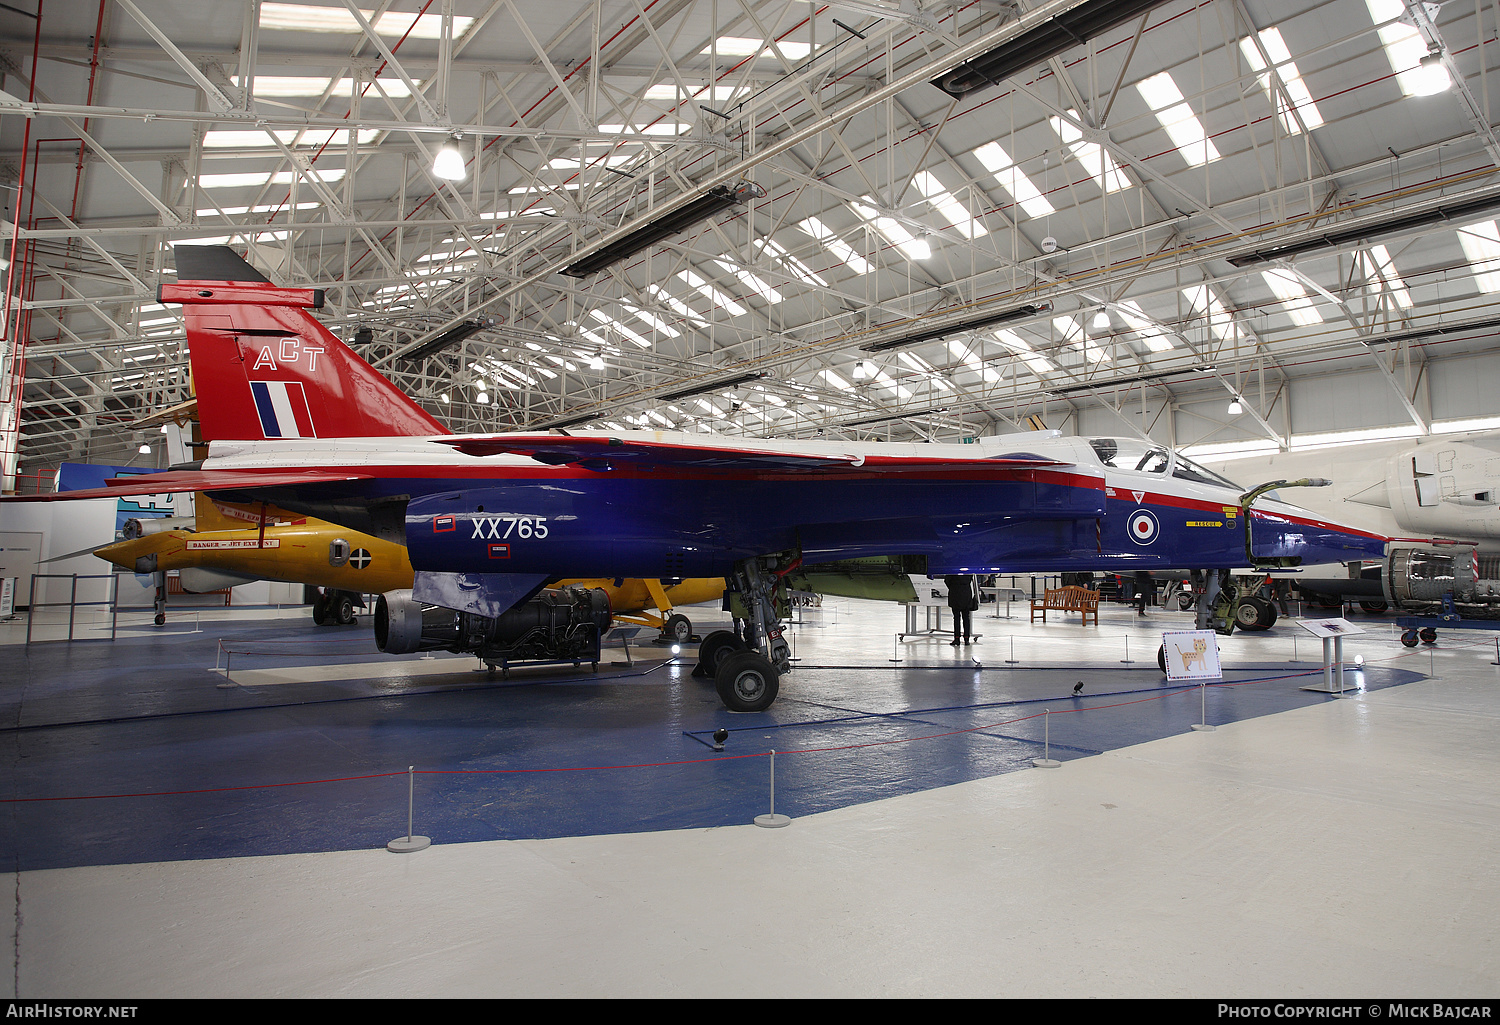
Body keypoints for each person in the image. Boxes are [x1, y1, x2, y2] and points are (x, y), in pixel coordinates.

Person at [944, 574, 978, 646]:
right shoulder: (968, 570)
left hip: (955, 593)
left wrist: (953, 587)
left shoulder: (952, 569)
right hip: (966, 593)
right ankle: (966, 639)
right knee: (966, 618)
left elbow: (947, 580)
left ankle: (957, 639)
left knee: (956, 618)